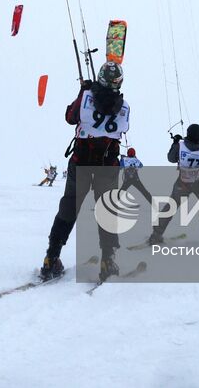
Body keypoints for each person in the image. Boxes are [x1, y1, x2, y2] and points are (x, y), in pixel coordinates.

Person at [39, 62, 129, 282]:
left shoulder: (86, 96)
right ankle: (108, 261)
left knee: (69, 207)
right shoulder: (125, 107)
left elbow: (70, 117)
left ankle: (51, 258)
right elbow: (123, 129)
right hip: (106, 166)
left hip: (81, 163)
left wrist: (84, 90)